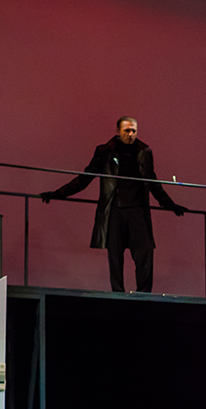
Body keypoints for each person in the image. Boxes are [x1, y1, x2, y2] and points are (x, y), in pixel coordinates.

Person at [41, 117, 186, 293]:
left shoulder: (144, 152)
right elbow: (85, 178)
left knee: (145, 251)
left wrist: (170, 204)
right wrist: (57, 193)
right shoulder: (105, 151)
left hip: (138, 210)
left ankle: (143, 295)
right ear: (118, 131)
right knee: (115, 255)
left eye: (133, 131)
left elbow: (153, 183)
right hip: (115, 209)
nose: (130, 134)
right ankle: (118, 293)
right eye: (127, 131)